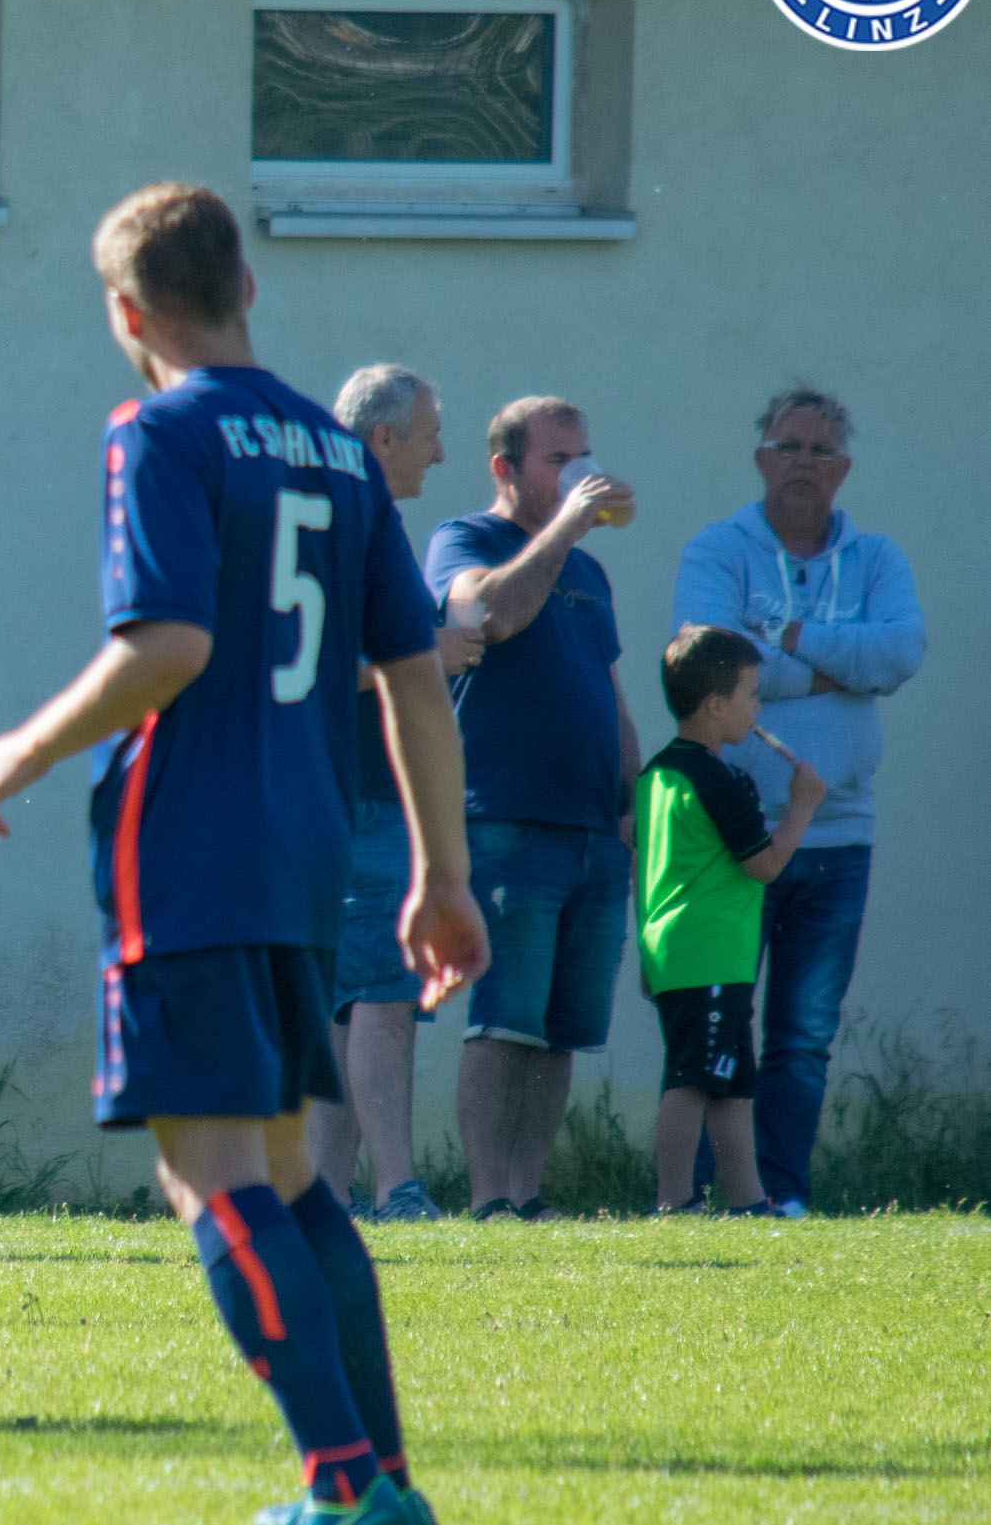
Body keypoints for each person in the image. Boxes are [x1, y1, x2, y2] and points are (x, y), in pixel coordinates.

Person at [0, 183, 483, 1525]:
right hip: (306, 850)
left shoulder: (157, 430)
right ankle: (381, 1479)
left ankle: (339, 1480)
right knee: (291, 1175)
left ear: (125, 313)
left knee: (210, 1178)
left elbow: (169, 645)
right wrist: (441, 875)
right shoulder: (337, 450)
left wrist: (19, 747)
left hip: (189, 846)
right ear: (246, 284)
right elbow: (415, 679)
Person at [670, 387, 925, 1216]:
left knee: (802, 1039)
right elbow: (707, 666)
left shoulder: (875, 558)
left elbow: (900, 653)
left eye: (820, 450)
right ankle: (703, 1198)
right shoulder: (718, 549)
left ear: (842, 468)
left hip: (839, 836)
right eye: (787, 446)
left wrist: (785, 639)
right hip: (733, 835)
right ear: (760, 458)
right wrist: (840, 668)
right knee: (717, 1025)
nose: (802, 464)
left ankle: (780, 1196)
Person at [424, 398, 639, 1222]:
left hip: (592, 829)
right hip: (506, 817)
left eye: (583, 455)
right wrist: (569, 525)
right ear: (503, 468)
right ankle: (488, 1197)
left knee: (560, 1030)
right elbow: (488, 616)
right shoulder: (464, 540)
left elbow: (609, 694)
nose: (579, 474)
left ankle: (527, 1193)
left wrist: (629, 802)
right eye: (558, 460)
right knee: (503, 1019)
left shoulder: (591, 572)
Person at [304, 366, 483, 1223]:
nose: (441, 452)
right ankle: (397, 1188)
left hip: (354, 796)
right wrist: (421, 659)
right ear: (383, 438)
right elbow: (304, 663)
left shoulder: (344, 516)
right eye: (431, 433)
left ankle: (325, 1193)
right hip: (362, 797)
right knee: (382, 995)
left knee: (350, 1003)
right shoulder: (342, 522)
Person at [634, 626, 825, 1216]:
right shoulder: (719, 780)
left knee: (733, 1081)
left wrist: (647, 957)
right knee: (693, 1077)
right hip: (710, 950)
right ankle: (675, 1201)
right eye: (751, 694)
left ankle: (747, 1201)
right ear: (715, 705)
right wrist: (802, 807)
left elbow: (645, 864)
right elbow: (764, 865)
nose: (758, 707)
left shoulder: (657, 773)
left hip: (685, 951)